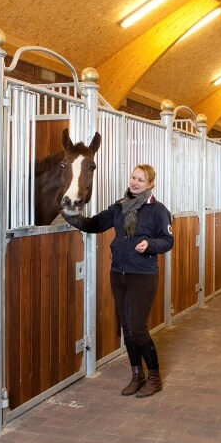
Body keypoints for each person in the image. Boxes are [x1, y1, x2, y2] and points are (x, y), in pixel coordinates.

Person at [63, 164, 174, 398]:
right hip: (119, 274)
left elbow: (168, 240)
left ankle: (154, 377)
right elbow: (94, 224)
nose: (135, 182)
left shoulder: (158, 210)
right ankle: (137, 376)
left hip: (143, 275)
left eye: (141, 180)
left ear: (150, 184)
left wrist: (150, 245)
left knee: (138, 328)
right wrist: (71, 215)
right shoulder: (119, 208)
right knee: (127, 329)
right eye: (133, 178)